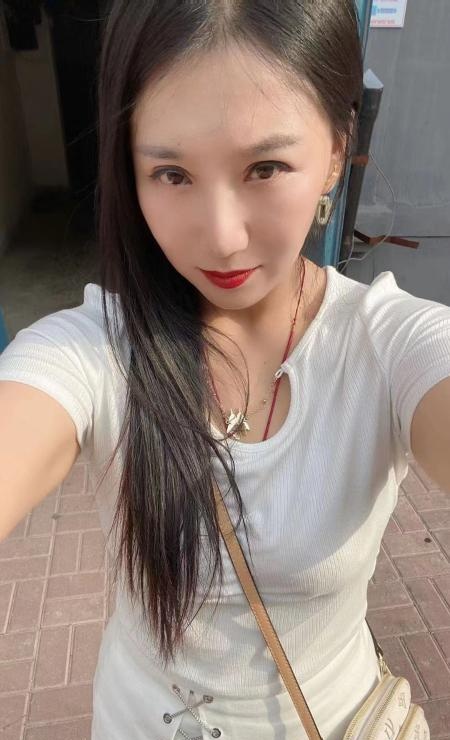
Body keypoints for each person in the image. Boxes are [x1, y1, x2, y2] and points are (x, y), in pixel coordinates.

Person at [0, 1, 449, 738]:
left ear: (337, 150)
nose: (221, 236)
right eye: (171, 173)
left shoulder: (389, 344)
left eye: (265, 167)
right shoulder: (95, 349)